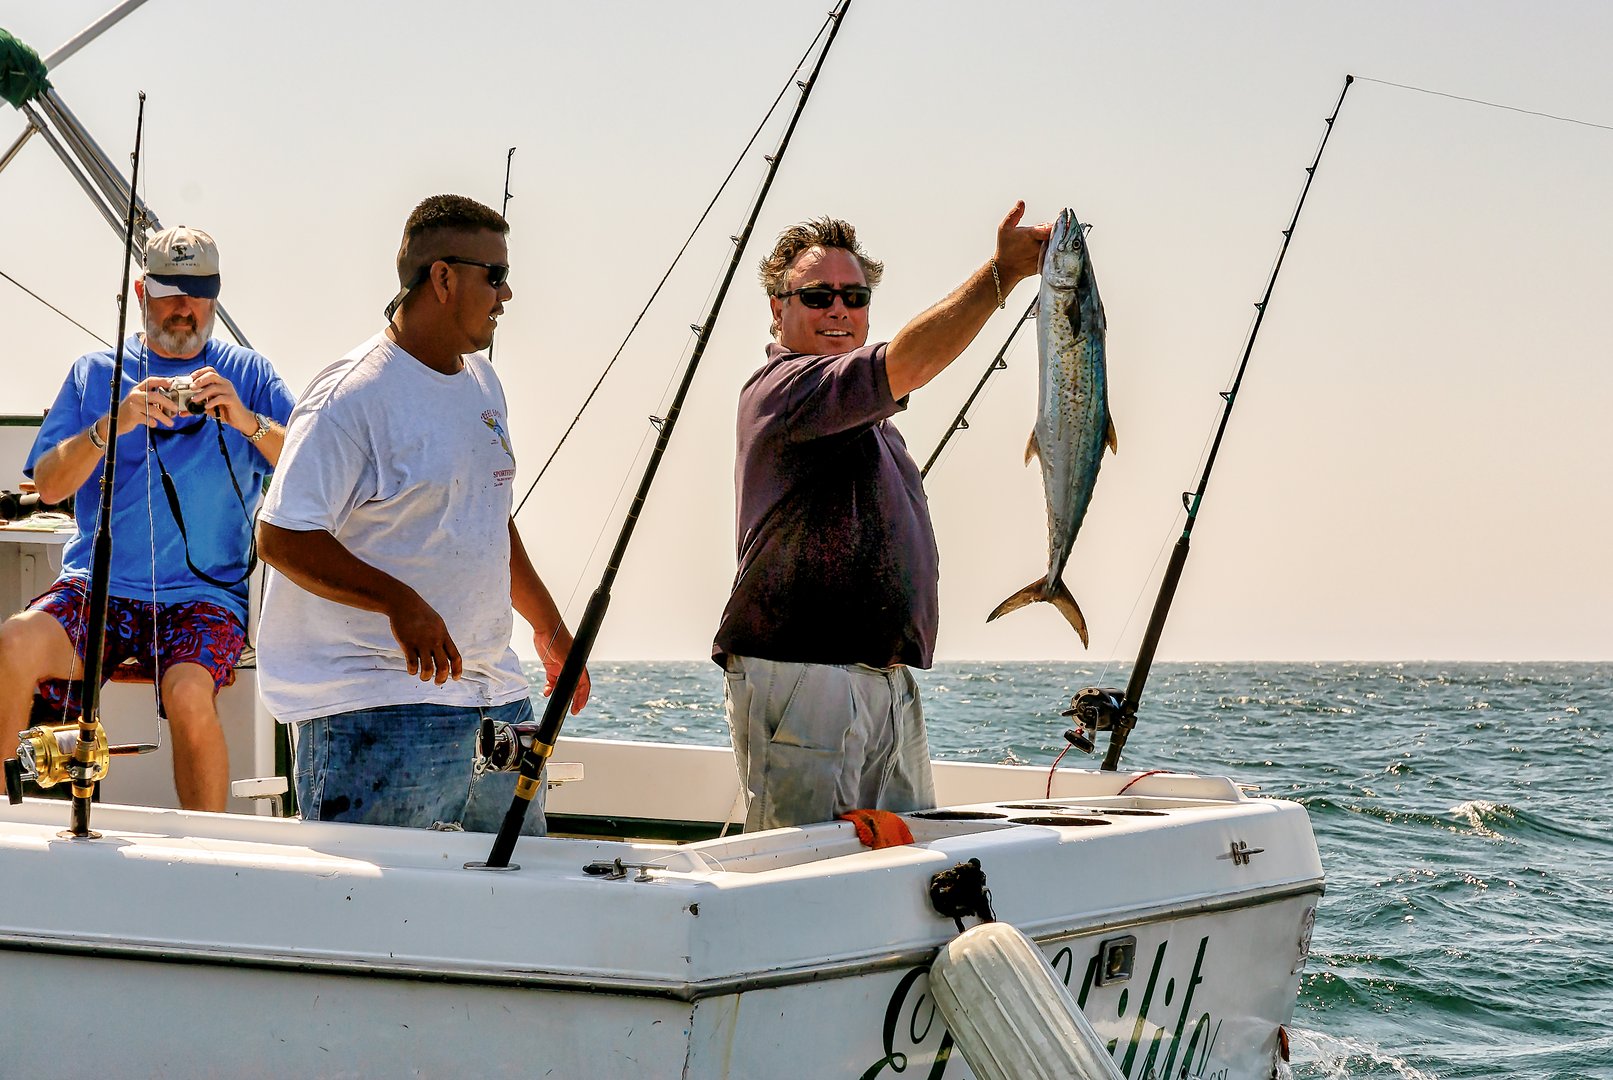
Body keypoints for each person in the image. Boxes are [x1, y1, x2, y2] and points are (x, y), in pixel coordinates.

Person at [255, 194, 588, 833]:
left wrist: (549, 630)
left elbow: (490, 520)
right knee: (376, 928)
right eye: (494, 276)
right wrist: (399, 602)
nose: (507, 293)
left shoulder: (484, 384)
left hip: (498, 703)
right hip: (377, 708)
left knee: (508, 919)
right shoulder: (350, 396)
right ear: (442, 278)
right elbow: (281, 536)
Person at [713, 203, 1051, 832]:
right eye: (816, 295)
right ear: (777, 308)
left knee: (900, 868)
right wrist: (1001, 277)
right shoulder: (786, 390)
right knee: (802, 875)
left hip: (883, 682)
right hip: (806, 677)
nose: (838, 309)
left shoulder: (870, 423)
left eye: (853, 295)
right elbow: (908, 363)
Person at [0, 226, 294, 811]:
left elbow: (311, 467)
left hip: (205, 596)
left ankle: (210, 861)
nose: (185, 309)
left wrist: (245, 420)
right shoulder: (95, 371)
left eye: (199, 292)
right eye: (170, 292)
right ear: (141, 292)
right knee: (12, 643)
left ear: (215, 294)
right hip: (98, 584)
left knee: (188, 694)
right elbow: (51, 483)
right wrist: (112, 423)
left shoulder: (251, 373)